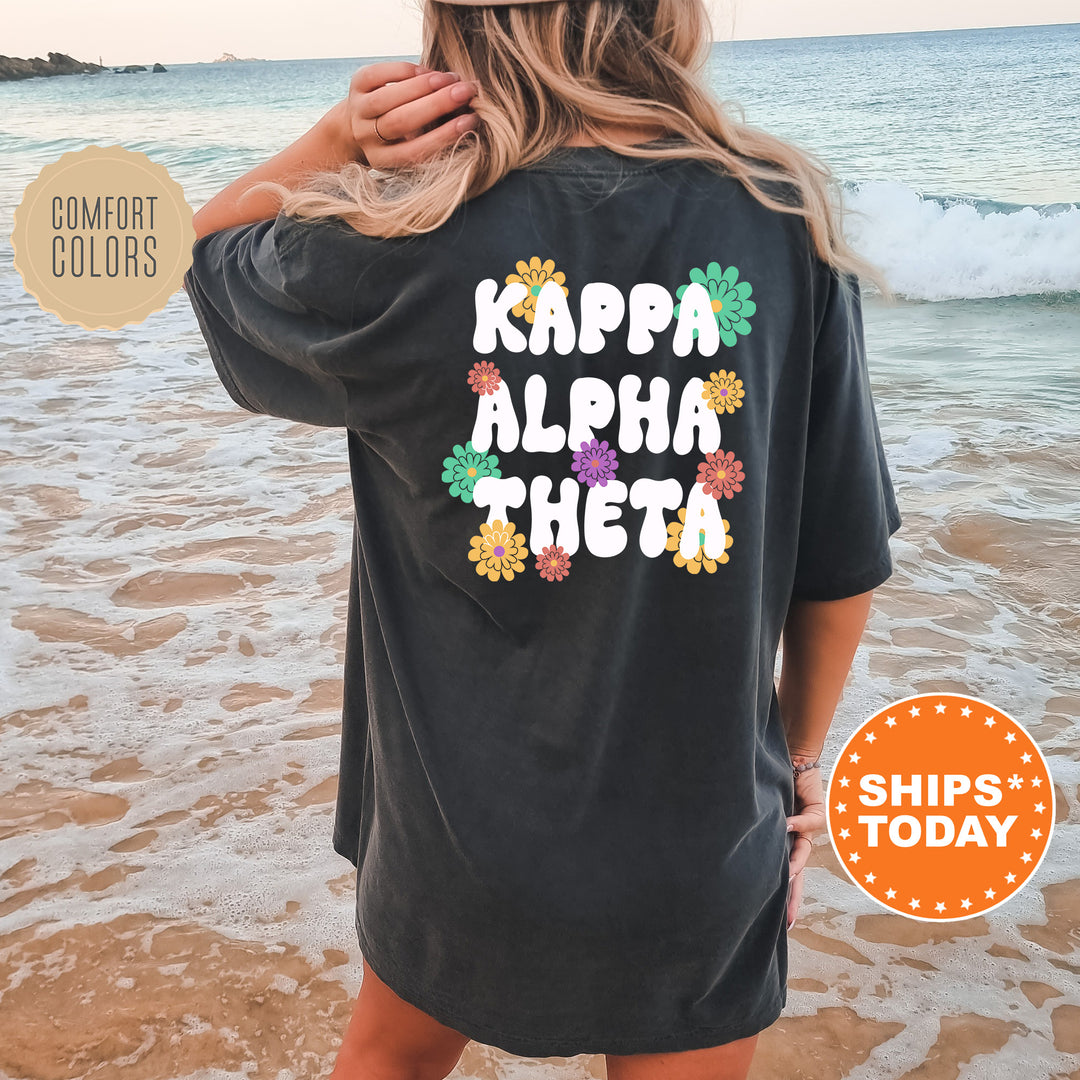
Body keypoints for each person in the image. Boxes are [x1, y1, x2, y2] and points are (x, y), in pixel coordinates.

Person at [182, 0, 903, 1076]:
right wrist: (800, 764)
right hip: (697, 835)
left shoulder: (396, 235)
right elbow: (841, 560)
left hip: (455, 837)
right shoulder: (779, 219)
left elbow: (203, 253)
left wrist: (339, 142)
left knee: (388, 1058)